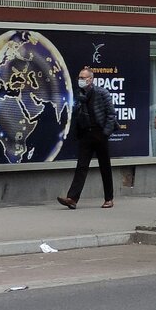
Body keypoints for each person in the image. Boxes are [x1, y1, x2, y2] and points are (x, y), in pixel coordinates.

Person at [57, 67, 117, 209]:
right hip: (86, 134)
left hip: (100, 134)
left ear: (91, 79)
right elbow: (76, 114)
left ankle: (109, 198)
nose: (80, 80)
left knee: (105, 167)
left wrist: (105, 133)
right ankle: (72, 198)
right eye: (79, 77)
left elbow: (111, 114)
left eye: (83, 78)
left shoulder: (102, 93)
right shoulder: (80, 95)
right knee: (81, 166)